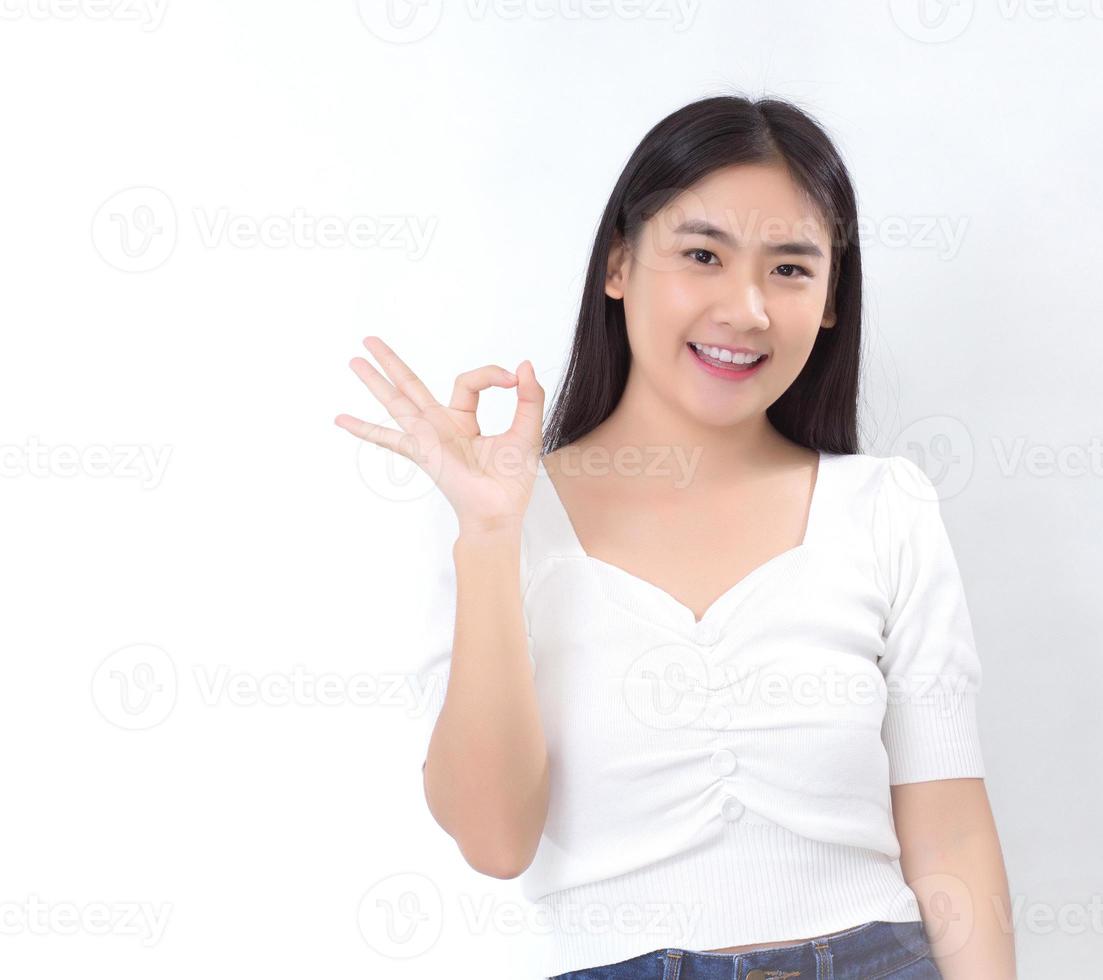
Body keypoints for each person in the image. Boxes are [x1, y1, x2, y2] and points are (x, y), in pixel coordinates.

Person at [335, 94, 1016, 980]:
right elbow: (496, 841)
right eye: (702, 255)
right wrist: (492, 534)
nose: (747, 308)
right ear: (619, 264)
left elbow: (953, 833)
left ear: (832, 303)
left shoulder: (885, 508)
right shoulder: (500, 519)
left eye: (790, 269)